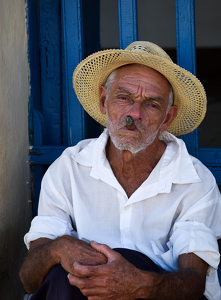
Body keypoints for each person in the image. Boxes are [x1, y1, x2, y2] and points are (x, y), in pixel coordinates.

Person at [19, 41, 221, 300]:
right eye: (124, 98)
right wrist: (58, 248)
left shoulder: (195, 182)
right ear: (104, 101)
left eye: (151, 104)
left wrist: (140, 285)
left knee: (135, 261)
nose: (134, 114)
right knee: (61, 276)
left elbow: (193, 285)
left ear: (167, 119)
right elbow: (28, 280)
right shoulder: (68, 169)